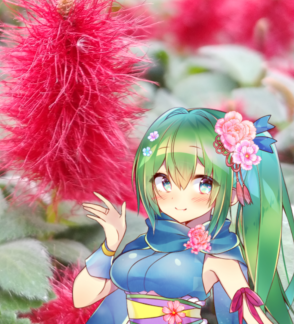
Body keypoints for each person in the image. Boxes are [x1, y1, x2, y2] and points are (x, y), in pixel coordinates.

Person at [73, 108, 294, 324]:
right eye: (164, 181)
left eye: (204, 184)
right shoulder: (141, 246)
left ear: (233, 193)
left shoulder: (218, 256)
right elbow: (83, 298)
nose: (179, 198)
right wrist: (110, 245)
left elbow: (251, 316)